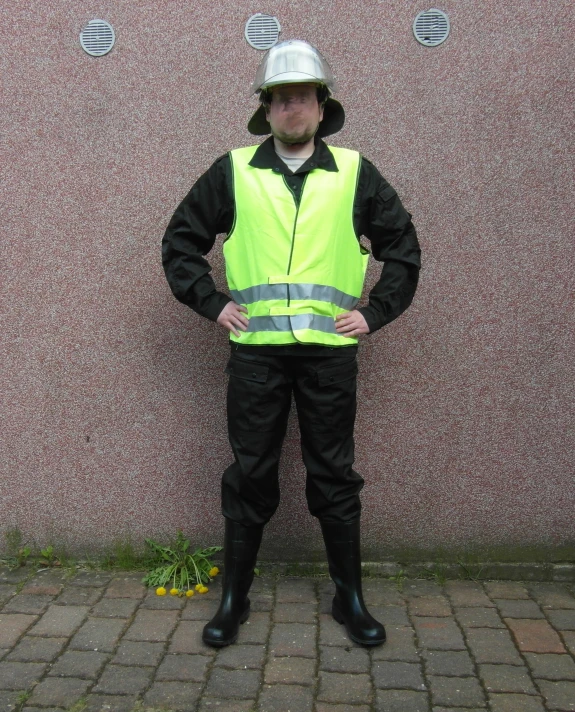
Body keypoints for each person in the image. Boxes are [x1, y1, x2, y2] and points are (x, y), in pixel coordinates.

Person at [162, 40, 421, 648]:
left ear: (321, 105)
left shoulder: (356, 172)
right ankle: (234, 600)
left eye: (302, 96)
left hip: (330, 354)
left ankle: (349, 599)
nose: (292, 108)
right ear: (266, 109)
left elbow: (403, 250)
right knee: (251, 472)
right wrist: (213, 303)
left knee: (333, 473)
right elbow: (179, 243)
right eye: (280, 98)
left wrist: (376, 312)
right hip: (257, 355)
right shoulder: (234, 171)